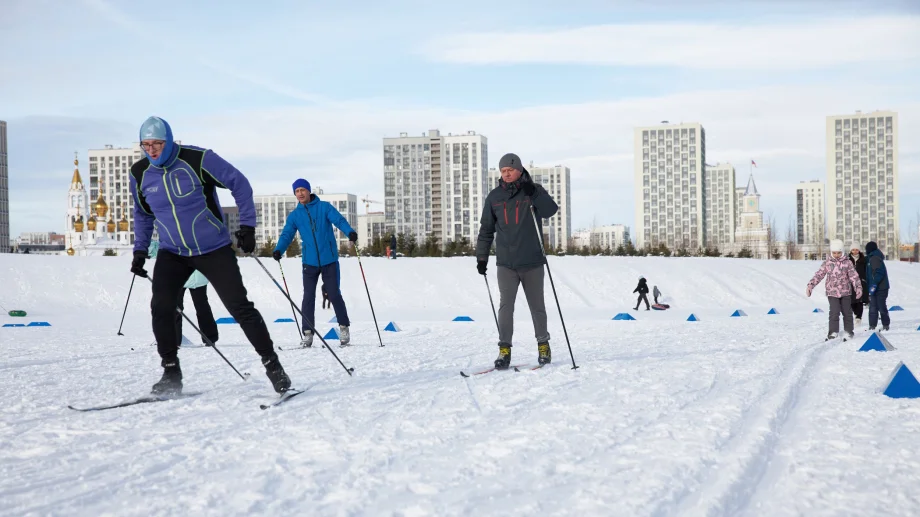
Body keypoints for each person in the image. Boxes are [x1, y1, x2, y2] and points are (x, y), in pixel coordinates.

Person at [129, 116, 291, 396]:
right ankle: (170, 372)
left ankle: (273, 366)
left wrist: (248, 226)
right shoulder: (140, 172)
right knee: (161, 306)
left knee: (239, 307)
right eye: (146, 145)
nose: (152, 150)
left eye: (157, 143)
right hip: (172, 251)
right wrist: (140, 250)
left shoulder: (198, 159)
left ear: (168, 140)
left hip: (212, 249)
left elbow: (239, 183)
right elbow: (143, 215)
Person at [476, 153, 559, 369]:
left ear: (519, 169)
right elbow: (486, 230)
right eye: (503, 171)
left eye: (510, 170)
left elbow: (551, 210)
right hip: (506, 263)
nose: (506, 174)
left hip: (532, 261)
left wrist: (535, 194)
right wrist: (482, 257)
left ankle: (543, 345)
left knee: (537, 306)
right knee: (506, 307)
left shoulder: (533, 192)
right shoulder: (494, 197)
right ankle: (504, 350)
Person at [273, 179, 358, 347]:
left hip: (329, 260)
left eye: (302, 190)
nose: (300, 193)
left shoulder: (324, 207)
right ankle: (307, 333)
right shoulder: (295, 215)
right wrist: (279, 250)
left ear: (309, 191)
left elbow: (339, 220)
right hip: (309, 262)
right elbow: (287, 234)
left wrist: (350, 232)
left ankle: (344, 327)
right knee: (308, 297)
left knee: (334, 294)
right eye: (297, 191)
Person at [148, 240, 219, 347]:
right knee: (201, 307)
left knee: (177, 308)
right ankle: (210, 338)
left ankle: (175, 340)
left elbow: (162, 248)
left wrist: (146, 247)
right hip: (197, 275)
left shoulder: (177, 234)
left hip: (182, 275)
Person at [806, 239, 862, 340]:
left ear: (843, 252)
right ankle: (833, 331)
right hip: (832, 292)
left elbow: (854, 276)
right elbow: (819, 275)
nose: (836, 255)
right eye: (834, 253)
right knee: (834, 312)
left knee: (847, 312)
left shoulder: (848, 263)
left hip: (846, 292)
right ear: (831, 252)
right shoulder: (827, 263)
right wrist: (810, 285)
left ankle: (849, 331)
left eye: (839, 253)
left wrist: (858, 287)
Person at [865, 240, 890, 331]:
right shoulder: (871, 257)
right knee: (873, 307)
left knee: (880, 306)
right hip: (875, 287)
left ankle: (885, 325)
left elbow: (879, 272)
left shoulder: (874, 258)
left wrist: (874, 284)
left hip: (881, 288)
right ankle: (872, 326)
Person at [847, 243, 868, 325]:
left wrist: (864, 279)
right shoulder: (847, 260)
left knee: (860, 300)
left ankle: (859, 317)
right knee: (852, 300)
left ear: (859, 250)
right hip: (850, 282)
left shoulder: (863, 260)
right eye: (853, 249)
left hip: (861, 282)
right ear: (851, 250)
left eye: (856, 249)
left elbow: (866, 271)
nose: (855, 251)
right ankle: (855, 313)